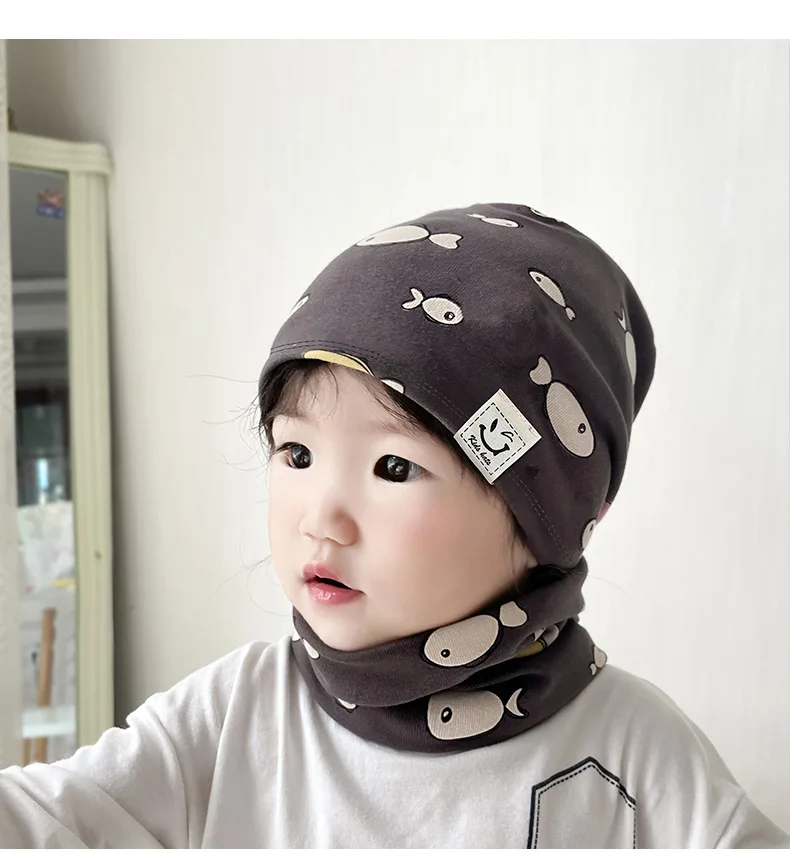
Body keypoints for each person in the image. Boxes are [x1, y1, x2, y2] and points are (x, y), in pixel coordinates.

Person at [1, 203, 787, 848]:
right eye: (297, 453)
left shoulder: (635, 755)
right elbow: (48, 819)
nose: (322, 519)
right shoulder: (236, 714)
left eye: (393, 468)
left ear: (548, 516)